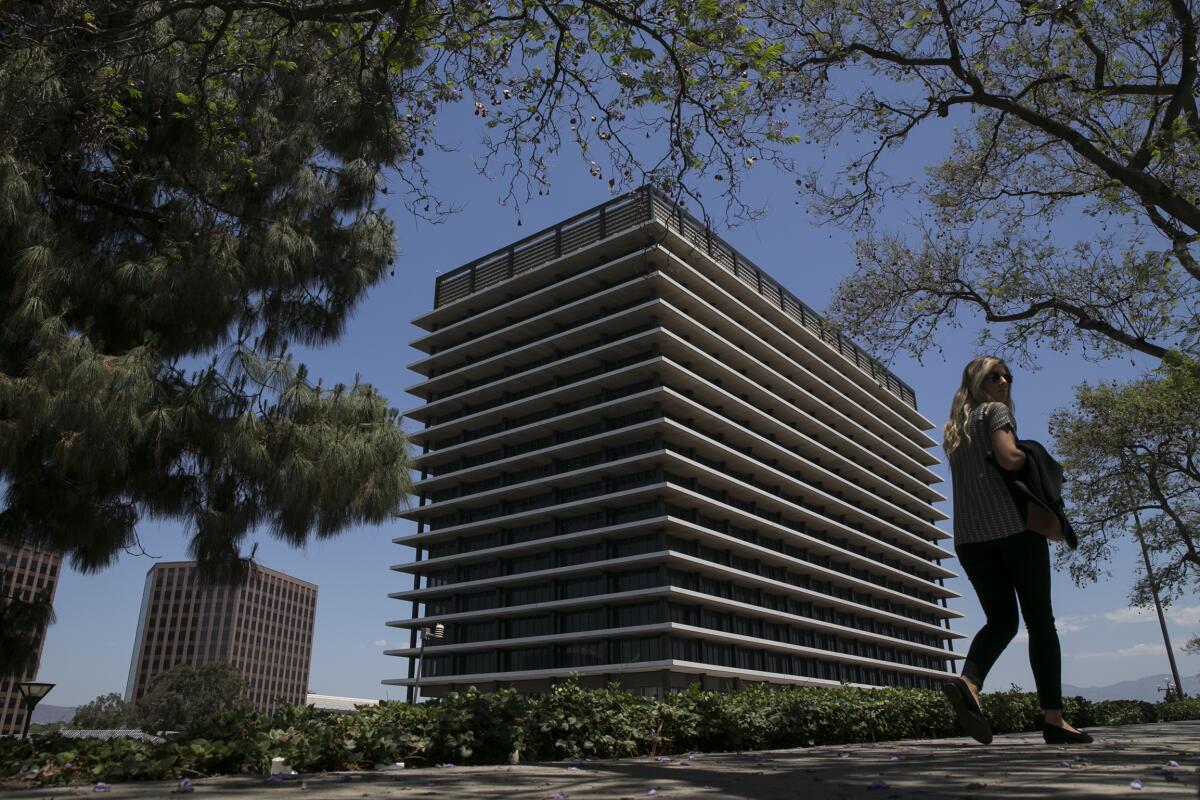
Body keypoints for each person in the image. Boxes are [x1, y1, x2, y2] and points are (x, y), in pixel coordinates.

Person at [940, 356, 1092, 745]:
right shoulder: (994, 412)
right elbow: (1009, 458)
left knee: (1001, 621)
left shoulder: (953, 430)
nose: (1004, 381)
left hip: (970, 540)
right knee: (1041, 621)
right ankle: (1054, 720)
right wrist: (1033, 454)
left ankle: (969, 683)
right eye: (995, 375)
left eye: (1008, 376)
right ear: (977, 381)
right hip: (1013, 531)